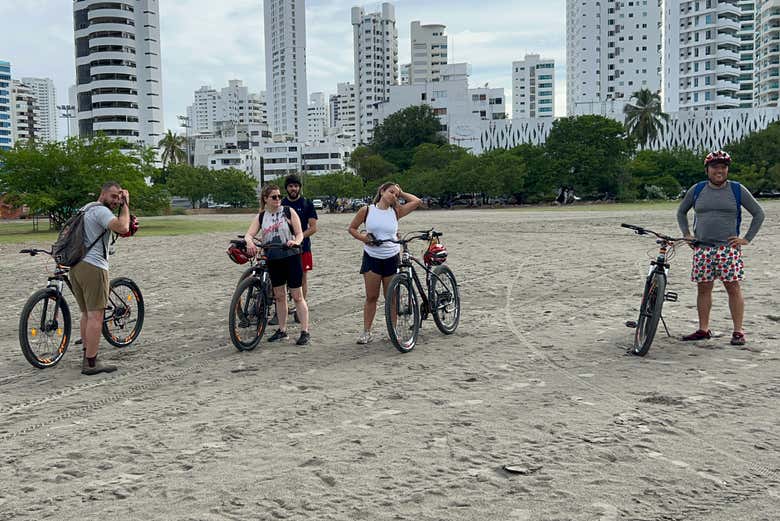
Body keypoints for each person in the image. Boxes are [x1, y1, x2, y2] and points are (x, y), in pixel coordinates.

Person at [676, 150, 765, 346]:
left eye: (723, 167)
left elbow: (759, 213)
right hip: (702, 248)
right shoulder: (697, 189)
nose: (720, 170)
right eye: (715, 167)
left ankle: (738, 331)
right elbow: (681, 212)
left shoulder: (737, 189)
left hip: (728, 249)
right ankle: (703, 329)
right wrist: (687, 234)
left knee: (733, 288)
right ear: (707, 169)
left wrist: (746, 239)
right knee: (704, 289)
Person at [347, 183, 422, 344]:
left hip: (392, 257)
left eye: (396, 194)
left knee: (392, 297)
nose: (393, 196)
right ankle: (367, 331)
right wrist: (364, 238)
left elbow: (417, 201)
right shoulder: (367, 210)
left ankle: (392, 331)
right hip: (372, 257)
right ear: (382, 191)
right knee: (372, 297)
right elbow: (352, 228)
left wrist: (402, 193)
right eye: (391, 192)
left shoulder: (396, 211)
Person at [71, 181, 131, 375]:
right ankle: (91, 363)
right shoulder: (101, 211)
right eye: (113, 196)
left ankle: (87, 354)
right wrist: (126, 205)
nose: (116, 201)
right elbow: (122, 227)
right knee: (96, 315)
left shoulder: (85, 208)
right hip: (94, 266)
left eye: (119, 198)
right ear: (102, 193)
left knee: (87, 314)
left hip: (76, 265)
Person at [244, 184, 310, 346]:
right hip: (273, 258)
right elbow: (249, 234)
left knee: (297, 296)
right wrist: (249, 242)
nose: (278, 200)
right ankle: (282, 330)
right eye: (274, 197)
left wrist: (295, 242)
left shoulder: (288, 211)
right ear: (265, 199)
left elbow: (300, 233)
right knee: (279, 296)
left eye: (279, 196)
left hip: (291, 256)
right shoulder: (261, 217)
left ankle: (305, 331)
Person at [268, 173, 317, 325]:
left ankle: (298, 310)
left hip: (303, 247)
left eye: (296, 186)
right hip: (282, 248)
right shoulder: (280, 204)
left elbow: (313, 227)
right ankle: (281, 311)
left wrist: (298, 238)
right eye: (290, 186)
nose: (293, 188)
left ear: (299, 188)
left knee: (302, 278)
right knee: (280, 281)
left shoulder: (307, 204)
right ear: (286, 188)